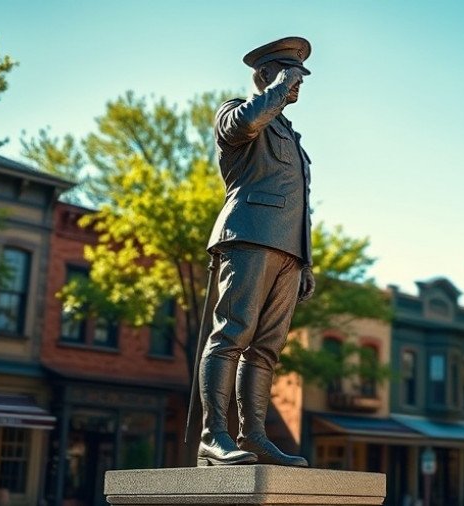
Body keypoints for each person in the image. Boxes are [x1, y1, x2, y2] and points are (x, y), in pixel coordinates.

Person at [195, 36, 315, 467]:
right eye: (291, 74)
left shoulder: (290, 134)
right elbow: (242, 126)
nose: (298, 83)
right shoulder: (239, 112)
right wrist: (277, 90)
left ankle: (255, 436)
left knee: (266, 349)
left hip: (288, 251)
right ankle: (214, 435)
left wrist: (306, 259)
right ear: (266, 74)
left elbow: (301, 201)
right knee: (231, 335)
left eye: (300, 77)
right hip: (248, 237)